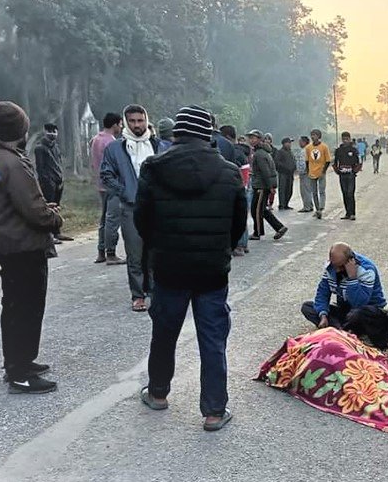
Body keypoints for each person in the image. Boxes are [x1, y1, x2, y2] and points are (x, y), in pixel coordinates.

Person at [135, 104, 247, 432]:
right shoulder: (228, 172)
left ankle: (157, 394)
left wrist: (162, 245)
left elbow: (142, 219)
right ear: (207, 133)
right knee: (212, 338)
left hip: (169, 268)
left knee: (164, 333)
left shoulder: (153, 168)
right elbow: (238, 223)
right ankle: (214, 410)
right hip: (212, 270)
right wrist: (219, 247)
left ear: (178, 133)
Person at [0, 102, 63, 394]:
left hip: (4, 242)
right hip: (23, 244)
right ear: (20, 129)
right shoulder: (12, 162)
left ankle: (16, 361)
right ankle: (20, 371)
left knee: (12, 305)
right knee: (27, 307)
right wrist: (54, 217)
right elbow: (33, 210)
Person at [101, 104, 160, 312]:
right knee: (135, 254)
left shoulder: (158, 145)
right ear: (126, 123)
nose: (137, 125)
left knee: (155, 253)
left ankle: (155, 291)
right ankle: (138, 295)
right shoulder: (115, 148)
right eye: (133, 121)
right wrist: (125, 191)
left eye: (140, 120)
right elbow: (106, 175)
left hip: (156, 209)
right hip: (131, 207)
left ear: (146, 120)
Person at [300, 243, 387, 331]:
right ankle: (342, 328)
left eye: (341, 267)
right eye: (335, 266)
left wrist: (352, 278)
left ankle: (339, 328)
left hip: (367, 311)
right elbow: (322, 293)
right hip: (345, 309)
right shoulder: (331, 268)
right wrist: (323, 315)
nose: (337, 270)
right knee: (308, 307)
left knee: (356, 315)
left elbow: (359, 303)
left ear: (351, 261)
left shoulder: (366, 270)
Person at [90, 113, 122, 263]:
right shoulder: (111, 142)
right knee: (112, 219)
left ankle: (100, 252)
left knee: (103, 219)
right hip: (111, 184)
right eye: (120, 124)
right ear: (115, 124)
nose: (121, 127)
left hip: (100, 184)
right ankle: (111, 253)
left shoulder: (95, 139)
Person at [33, 123, 71, 243]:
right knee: (49, 208)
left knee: (56, 208)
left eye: (54, 131)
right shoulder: (40, 148)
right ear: (45, 132)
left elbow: (58, 164)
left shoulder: (56, 147)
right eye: (50, 131)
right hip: (48, 183)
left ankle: (57, 232)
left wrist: (61, 178)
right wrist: (46, 182)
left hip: (58, 180)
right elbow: (40, 168)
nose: (52, 134)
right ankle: (48, 235)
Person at [247, 129, 288, 240]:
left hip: (261, 186)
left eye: (253, 138)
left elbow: (266, 171)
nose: (251, 140)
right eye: (250, 138)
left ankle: (257, 233)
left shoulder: (259, 154)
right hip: (262, 184)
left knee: (256, 210)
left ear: (260, 139)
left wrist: (270, 187)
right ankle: (279, 227)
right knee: (262, 210)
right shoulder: (260, 152)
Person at [334, 131, 361, 220]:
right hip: (342, 175)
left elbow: (359, 162)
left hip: (351, 175)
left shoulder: (354, 150)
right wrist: (337, 171)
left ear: (349, 139)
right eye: (343, 139)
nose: (345, 141)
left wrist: (354, 172)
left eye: (347, 139)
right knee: (345, 193)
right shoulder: (338, 150)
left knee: (350, 193)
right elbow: (335, 163)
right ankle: (347, 213)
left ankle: (352, 213)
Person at [305, 129, 331, 219]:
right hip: (312, 172)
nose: (313, 137)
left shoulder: (324, 147)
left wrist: (323, 171)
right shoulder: (308, 148)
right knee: (314, 192)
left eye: (315, 135)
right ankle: (317, 210)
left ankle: (321, 207)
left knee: (322, 191)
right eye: (312, 135)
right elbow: (307, 161)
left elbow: (328, 161)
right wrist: (308, 171)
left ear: (319, 136)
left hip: (321, 172)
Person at [274, 137, 297, 210]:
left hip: (290, 174)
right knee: (283, 189)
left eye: (290, 143)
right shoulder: (280, 152)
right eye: (288, 142)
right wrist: (285, 167)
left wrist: (293, 167)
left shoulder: (290, 152)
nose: (290, 144)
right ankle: (282, 205)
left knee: (289, 189)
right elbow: (277, 162)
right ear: (284, 143)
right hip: (283, 173)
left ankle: (286, 204)